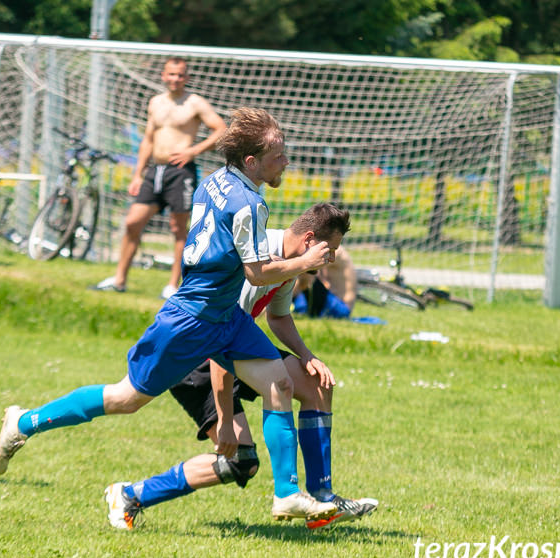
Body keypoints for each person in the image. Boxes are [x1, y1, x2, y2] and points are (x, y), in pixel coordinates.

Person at [0, 107, 338, 524]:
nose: (286, 162)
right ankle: (24, 422)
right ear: (251, 162)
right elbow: (256, 271)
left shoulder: (216, 180)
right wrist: (305, 264)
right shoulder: (250, 203)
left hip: (225, 317)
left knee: (279, 383)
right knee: (125, 399)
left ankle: (286, 494)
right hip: (190, 319)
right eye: (279, 155)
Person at [104, 205, 378, 531]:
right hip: (198, 360)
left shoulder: (290, 263)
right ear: (308, 241)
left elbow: (278, 316)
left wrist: (306, 355)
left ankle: (323, 498)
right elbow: (221, 345)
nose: (330, 260)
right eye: (328, 251)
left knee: (317, 384)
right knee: (240, 461)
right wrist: (224, 419)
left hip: (237, 350)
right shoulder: (258, 261)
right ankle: (129, 494)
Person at [93, 57, 226, 299]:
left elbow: (221, 129)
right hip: (155, 170)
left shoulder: (194, 103)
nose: (175, 79)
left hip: (181, 172)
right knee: (133, 222)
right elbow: (148, 139)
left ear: (187, 77)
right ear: (163, 76)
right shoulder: (155, 102)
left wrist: (193, 151)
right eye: (171, 74)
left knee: (178, 229)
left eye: (180, 75)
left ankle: (173, 285)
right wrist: (138, 174)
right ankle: (120, 279)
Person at [293, 244, 357, 318]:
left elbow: (307, 269)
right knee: (306, 274)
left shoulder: (337, 251)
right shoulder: (335, 249)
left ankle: (284, 304)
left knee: (307, 274)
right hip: (334, 301)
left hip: (342, 307)